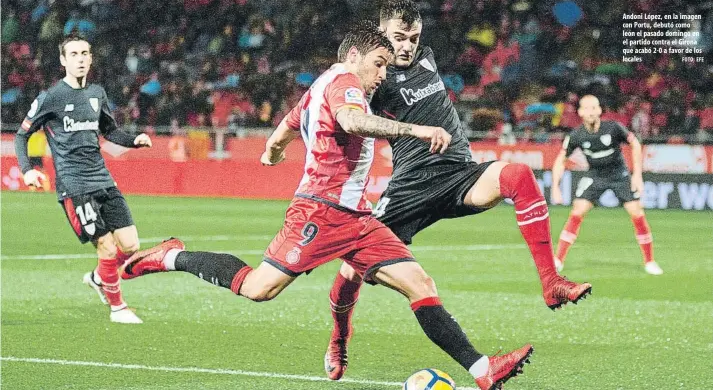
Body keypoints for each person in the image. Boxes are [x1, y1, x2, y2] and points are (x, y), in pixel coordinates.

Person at [121, 22, 533, 390]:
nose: (383, 76)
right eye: (379, 64)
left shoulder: (322, 83)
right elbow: (353, 121)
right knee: (258, 288)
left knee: (419, 284)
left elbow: (288, 121)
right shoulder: (346, 83)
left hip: (358, 218)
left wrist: (273, 147)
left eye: (388, 67)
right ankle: (171, 256)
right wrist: (416, 129)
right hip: (320, 212)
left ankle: (483, 370)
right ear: (355, 56)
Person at [324, 0, 592, 381]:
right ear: (381, 34)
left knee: (518, 175)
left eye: (413, 38)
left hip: (458, 174)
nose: (407, 46)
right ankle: (340, 337)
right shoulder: (373, 80)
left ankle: (551, 283)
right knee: (351, 269)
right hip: (410, 190)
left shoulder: (428, 58)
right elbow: (352, 118)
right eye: (398, 38)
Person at [15, 34, 153, 324]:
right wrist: (28, 169)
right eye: (74, 54)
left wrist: (134, 140)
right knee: (106, 245)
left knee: (130, 246)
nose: (80, 59)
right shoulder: (50, 98)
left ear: (91, 59)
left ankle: (98, 277)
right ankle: (118, 308)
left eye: (84, 53)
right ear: (63, 61)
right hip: (74, 185)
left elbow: (109, 131)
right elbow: (22, 134)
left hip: (103, 178)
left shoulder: (97, 93)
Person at [551, 95, 663, 276]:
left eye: (594, 108)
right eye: (586, 108)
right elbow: (560, 161)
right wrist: (555, 187)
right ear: (579, 112)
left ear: (600, 111)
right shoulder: (576, 135)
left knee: (637, 212)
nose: (590, 112)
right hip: (595, 175)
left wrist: (637, 175)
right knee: (577, 212)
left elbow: (635, 144)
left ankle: (650, 261)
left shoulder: (613, 128)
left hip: (619, 174)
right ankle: (558, 260)